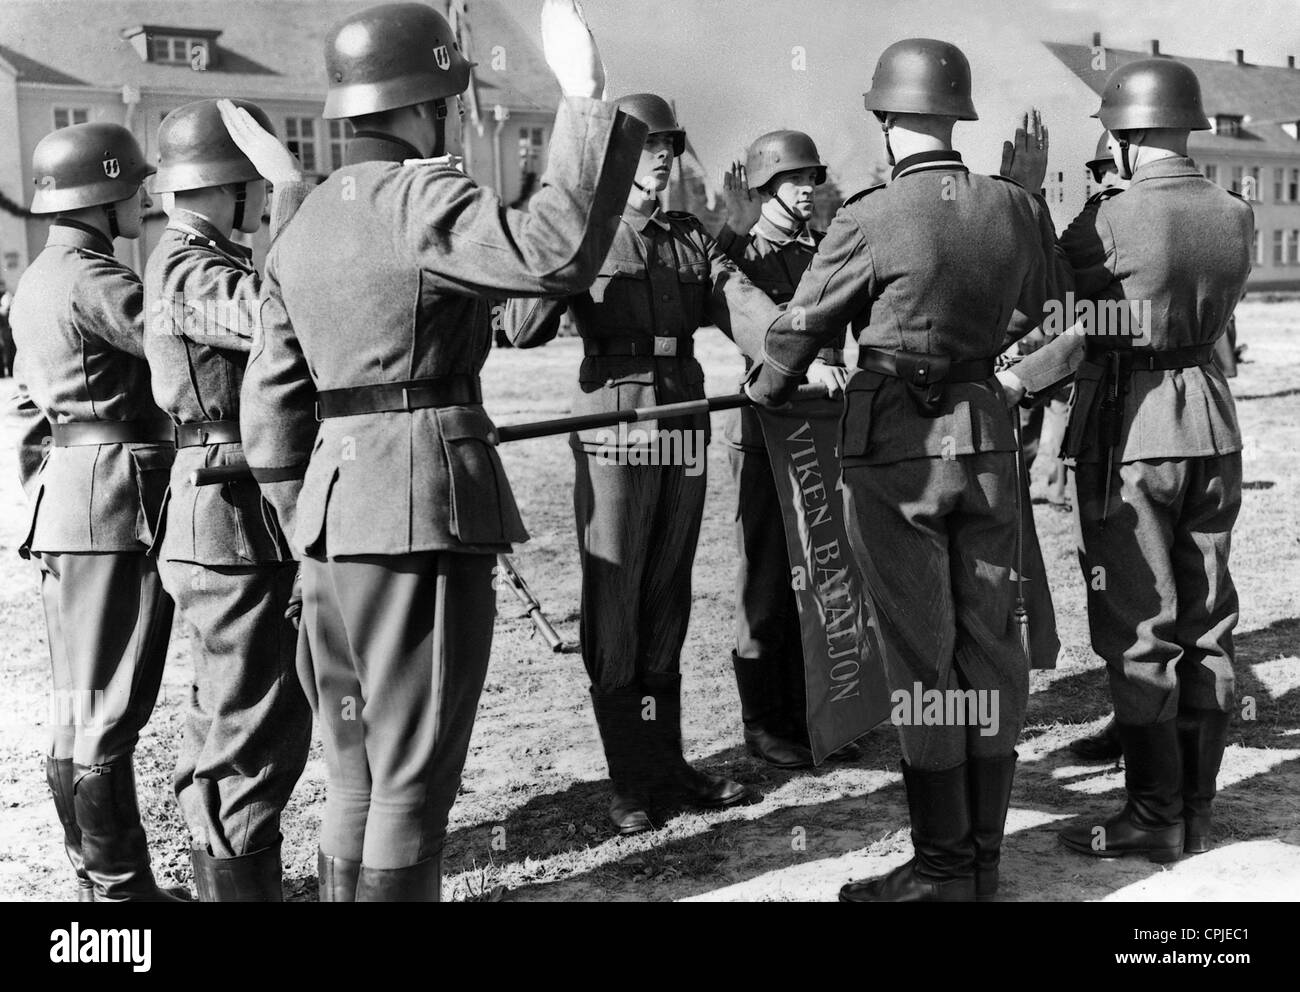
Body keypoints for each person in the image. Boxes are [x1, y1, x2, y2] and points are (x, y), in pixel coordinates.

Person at [239, 0, 647, 901]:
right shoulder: (423, 195)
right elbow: (551, 256)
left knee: (355, 774)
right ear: (428, 104)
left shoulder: (301, 224)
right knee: (413, 778)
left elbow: (268, 408)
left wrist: (308, 509)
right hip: (418, 504)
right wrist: (583, 100)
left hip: (328, 518)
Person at [745, 39, 1067, 902]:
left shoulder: (868, 214)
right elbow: (1053, 309)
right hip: (989, 445)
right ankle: (983, 865)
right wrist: (989, 353)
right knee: (989, 648)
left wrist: (768, 384)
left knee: (923, 656)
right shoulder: (1014, 206)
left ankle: (940, 870)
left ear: (885, 118)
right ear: (955, 115)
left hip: (897, 458)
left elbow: (801, 323)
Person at [503, 94, 829, 835]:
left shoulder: (691, 238)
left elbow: (750, 313)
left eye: (669, 143)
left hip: (683, 422)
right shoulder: (589, 233)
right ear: (616, 155)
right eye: (645, 143)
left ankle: (669, 765)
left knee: (668, 592)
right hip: (614, 427)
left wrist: (805, 361)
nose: (661, 155)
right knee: (616, 590)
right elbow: (521, 327)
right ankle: (630, 781)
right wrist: (570, 233)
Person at [1001, 58, 1252, 862]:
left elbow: (1046, 299)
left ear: (1124, 131)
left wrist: (1027, 198)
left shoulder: (1111, 217)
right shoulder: (1235, 213)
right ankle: (1197, 811)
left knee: (1139, 625)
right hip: (1211, 423)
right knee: (1208, 622)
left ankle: (1151, 813)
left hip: (1132, 430)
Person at [11, 122, 187, 901]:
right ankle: (122, 892)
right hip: (117, 502)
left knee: (75, 704)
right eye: (134, 187)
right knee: (109, 708)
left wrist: (51, 490)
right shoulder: (93, 278)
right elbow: (181, 345)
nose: (143, 199)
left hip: (66, 504)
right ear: (104, 190)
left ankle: (99, 880)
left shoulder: (36, 281)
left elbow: (25, 411)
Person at [144, 98, 313, 900]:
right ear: (226, 185)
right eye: (253, 182)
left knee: (232, 712)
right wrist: (293, 198)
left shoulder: (200, 259)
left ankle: (231, 887)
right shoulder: (186, 270)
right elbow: (288, 317)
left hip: (227, 510)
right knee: (253, 722)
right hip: (227, 511)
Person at [714, 131, 854, 768]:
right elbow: (750, 320)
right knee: (769, 576)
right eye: (794, 180)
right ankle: (765, 721)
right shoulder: (739, 253)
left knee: (826, 567)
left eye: (813, 178)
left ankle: (816, 709)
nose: (807, 190)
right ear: (765, 186)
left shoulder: (823, 250)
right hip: (769, 432)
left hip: (827, 431)